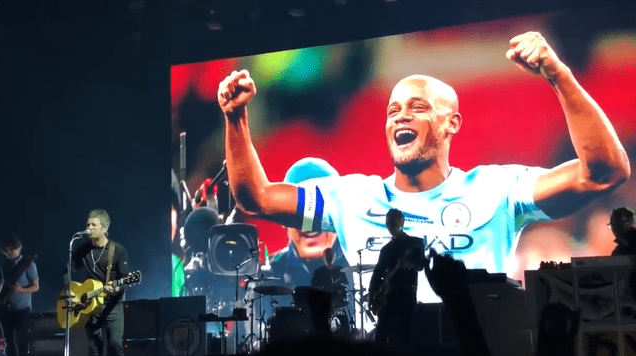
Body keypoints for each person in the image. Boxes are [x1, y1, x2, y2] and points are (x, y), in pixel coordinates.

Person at [217, 31, 631, 304]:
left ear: (452, 123)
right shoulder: (351, 197)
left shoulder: (497, 191)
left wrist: (558, 75)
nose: (400, 117)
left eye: (417, 108)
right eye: (392, 110)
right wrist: (236, 119)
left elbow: (603, 172)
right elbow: (256, 197)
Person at [269, 157, 347, 289]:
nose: (309, 222)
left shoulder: (369, 266)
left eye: (319, 207)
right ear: (283, 220)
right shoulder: (267, 274)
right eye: (299, 208)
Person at [62, 209, 129, 356]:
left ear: (104, 229)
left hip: (112, 305)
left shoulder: (118, 250)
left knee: (115, 345)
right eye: (88, 224)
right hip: (90, 305)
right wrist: (71, 291)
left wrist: (116, 288)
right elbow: (66, 271)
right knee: (93, 348)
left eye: (93, 225)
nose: (89, 228)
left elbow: (126, 279)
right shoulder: (83, 250)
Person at [368, 209, 425, 351]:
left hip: (406, 295)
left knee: (405, 336)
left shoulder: (415, 243)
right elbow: (377, 274)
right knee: (381, 334)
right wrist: (371, 295)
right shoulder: (386, 249)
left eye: (393, 222)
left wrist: (409, 264)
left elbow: (421, 265)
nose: (390, 226)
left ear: (402, 222)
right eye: (388, 223)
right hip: (388, 297)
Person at [0, 238, 39, 356]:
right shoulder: (3, 266)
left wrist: (21, 290)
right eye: (7, 249)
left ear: (18, 248)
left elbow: (36, 287)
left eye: (12, 248)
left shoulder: (29, 265)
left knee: (22, 343)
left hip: (22, 310)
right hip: (5, 310)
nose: (9, 251)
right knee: (8, 343)